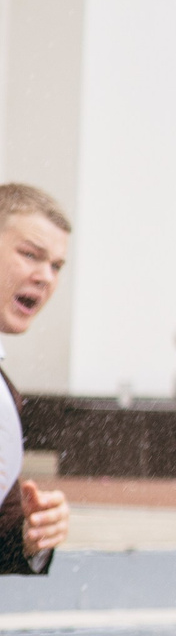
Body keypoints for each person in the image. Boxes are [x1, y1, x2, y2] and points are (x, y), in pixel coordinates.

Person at [0, 185, 70, 573]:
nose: (45, 277)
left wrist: (30, 535)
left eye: (56, 266)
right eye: (30, 254)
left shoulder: (5, 395)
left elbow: (2, 538)